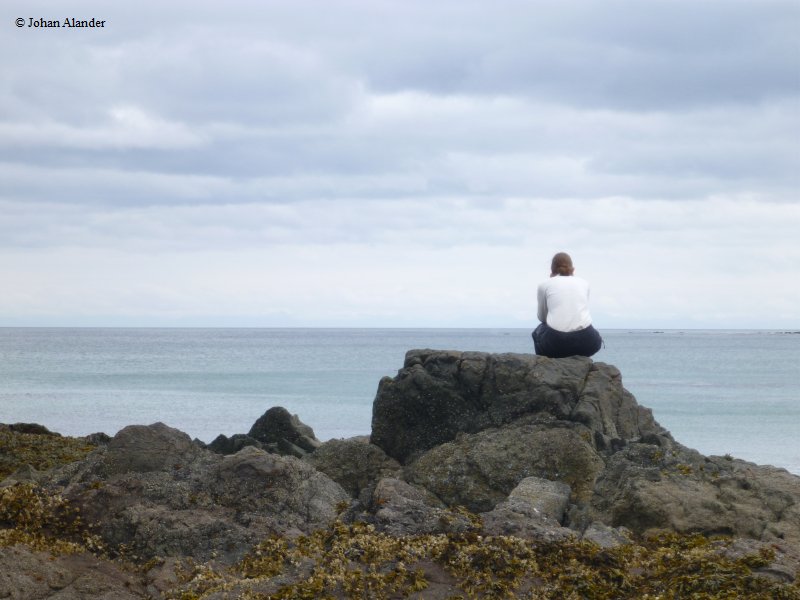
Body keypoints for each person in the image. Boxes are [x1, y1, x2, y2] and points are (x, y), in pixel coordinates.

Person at [532, 252, 602, 358]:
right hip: (587, 341)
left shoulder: (544, 284)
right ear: (572, 268)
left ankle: (544, 364)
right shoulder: (584, 283)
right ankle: (581, 363)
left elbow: (542, 317)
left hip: (556, 343)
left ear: (552, 269)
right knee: (593, 333)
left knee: (536, 332)